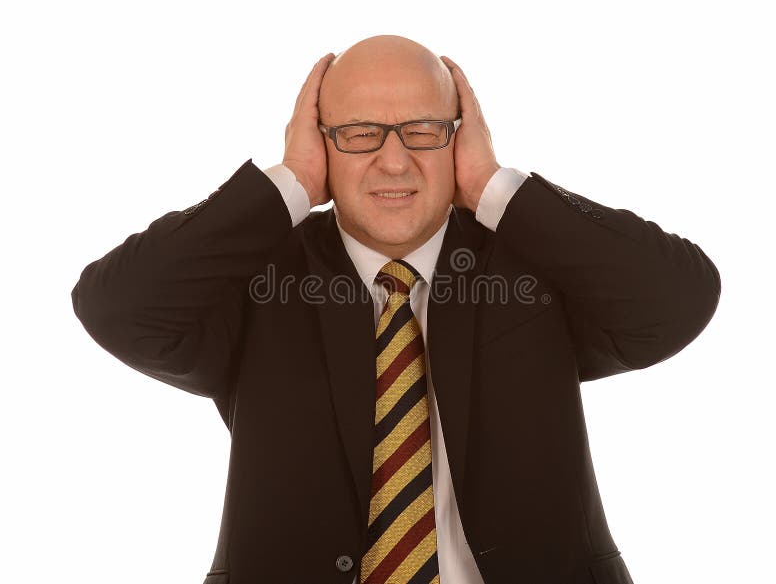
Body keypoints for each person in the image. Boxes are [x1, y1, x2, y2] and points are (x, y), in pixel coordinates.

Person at [71, 35, 721, 584]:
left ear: (457, 138)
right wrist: (289, 183)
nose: (394, 158)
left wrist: (493, 187)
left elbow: (679, 298)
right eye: (358, 133)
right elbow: (115, 306)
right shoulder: (258, 278)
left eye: (422, 130)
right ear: (321, 141)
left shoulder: (531, 263)